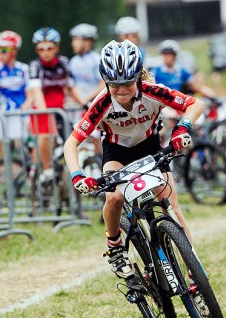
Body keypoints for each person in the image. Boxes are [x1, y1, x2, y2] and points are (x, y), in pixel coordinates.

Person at [63, 39, 205, 279]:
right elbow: (71, 143)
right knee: (115, 197)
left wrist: (182, 128)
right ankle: (115, 246)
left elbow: (195, 104)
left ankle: (196, 278)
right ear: (105, 81)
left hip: (150, 147)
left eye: (128, 82)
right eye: (114, 84)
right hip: (117, 152)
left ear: (139, 76)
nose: (121, 90)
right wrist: (78, 175)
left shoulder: (152, 91)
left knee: (173, 209)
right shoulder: (102, 103)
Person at [28, 27, 86, 178]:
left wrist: (85, 104)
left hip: (60, 110)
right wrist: (45, 112)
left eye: (49, 48)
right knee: (46, 136)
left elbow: (71, 87)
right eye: (41, 49)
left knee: (71, 140)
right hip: (42, 110)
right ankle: (47, 170)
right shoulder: (35, 66)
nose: (45, 52)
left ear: (57, 48)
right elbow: (37, 92)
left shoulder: (64, 63)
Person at [0, 30, 31, 142]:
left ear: (13, 51)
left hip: (23, 114)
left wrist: (24, 108)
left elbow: (31, 95)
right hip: (4, 115)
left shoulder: (24, 69)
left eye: (3, 50)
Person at [68, 23, 104, 104]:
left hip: (95, 104)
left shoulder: (97, 59)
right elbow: (71, 85)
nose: (73, 44)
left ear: (87, 41)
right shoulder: (73, 61)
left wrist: (86, 99)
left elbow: (104, 84)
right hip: (79, 105)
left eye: (76, 39)